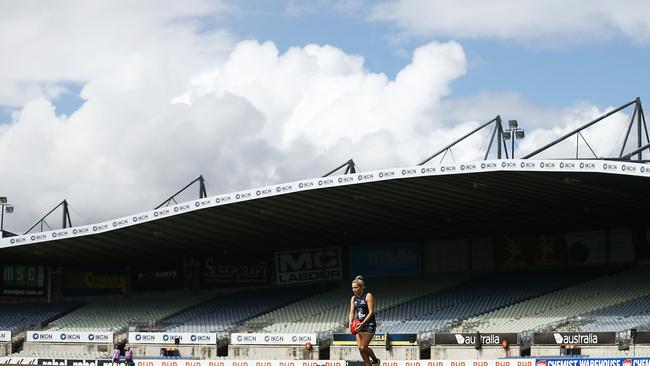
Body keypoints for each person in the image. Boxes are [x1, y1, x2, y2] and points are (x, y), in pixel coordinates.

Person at [349, 275, 380, 366]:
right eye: (352, 288)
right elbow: (351, 312)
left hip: (369, 324)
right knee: (360, 348)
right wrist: (351, 323)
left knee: (363, 347)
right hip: (358, 325)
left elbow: (371, 312)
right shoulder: (353, 298)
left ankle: (375, 360)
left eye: (355, 287)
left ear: (361, 287)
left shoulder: (368, 296)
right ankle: (368, 365)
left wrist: (363, 323)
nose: (354, 289)